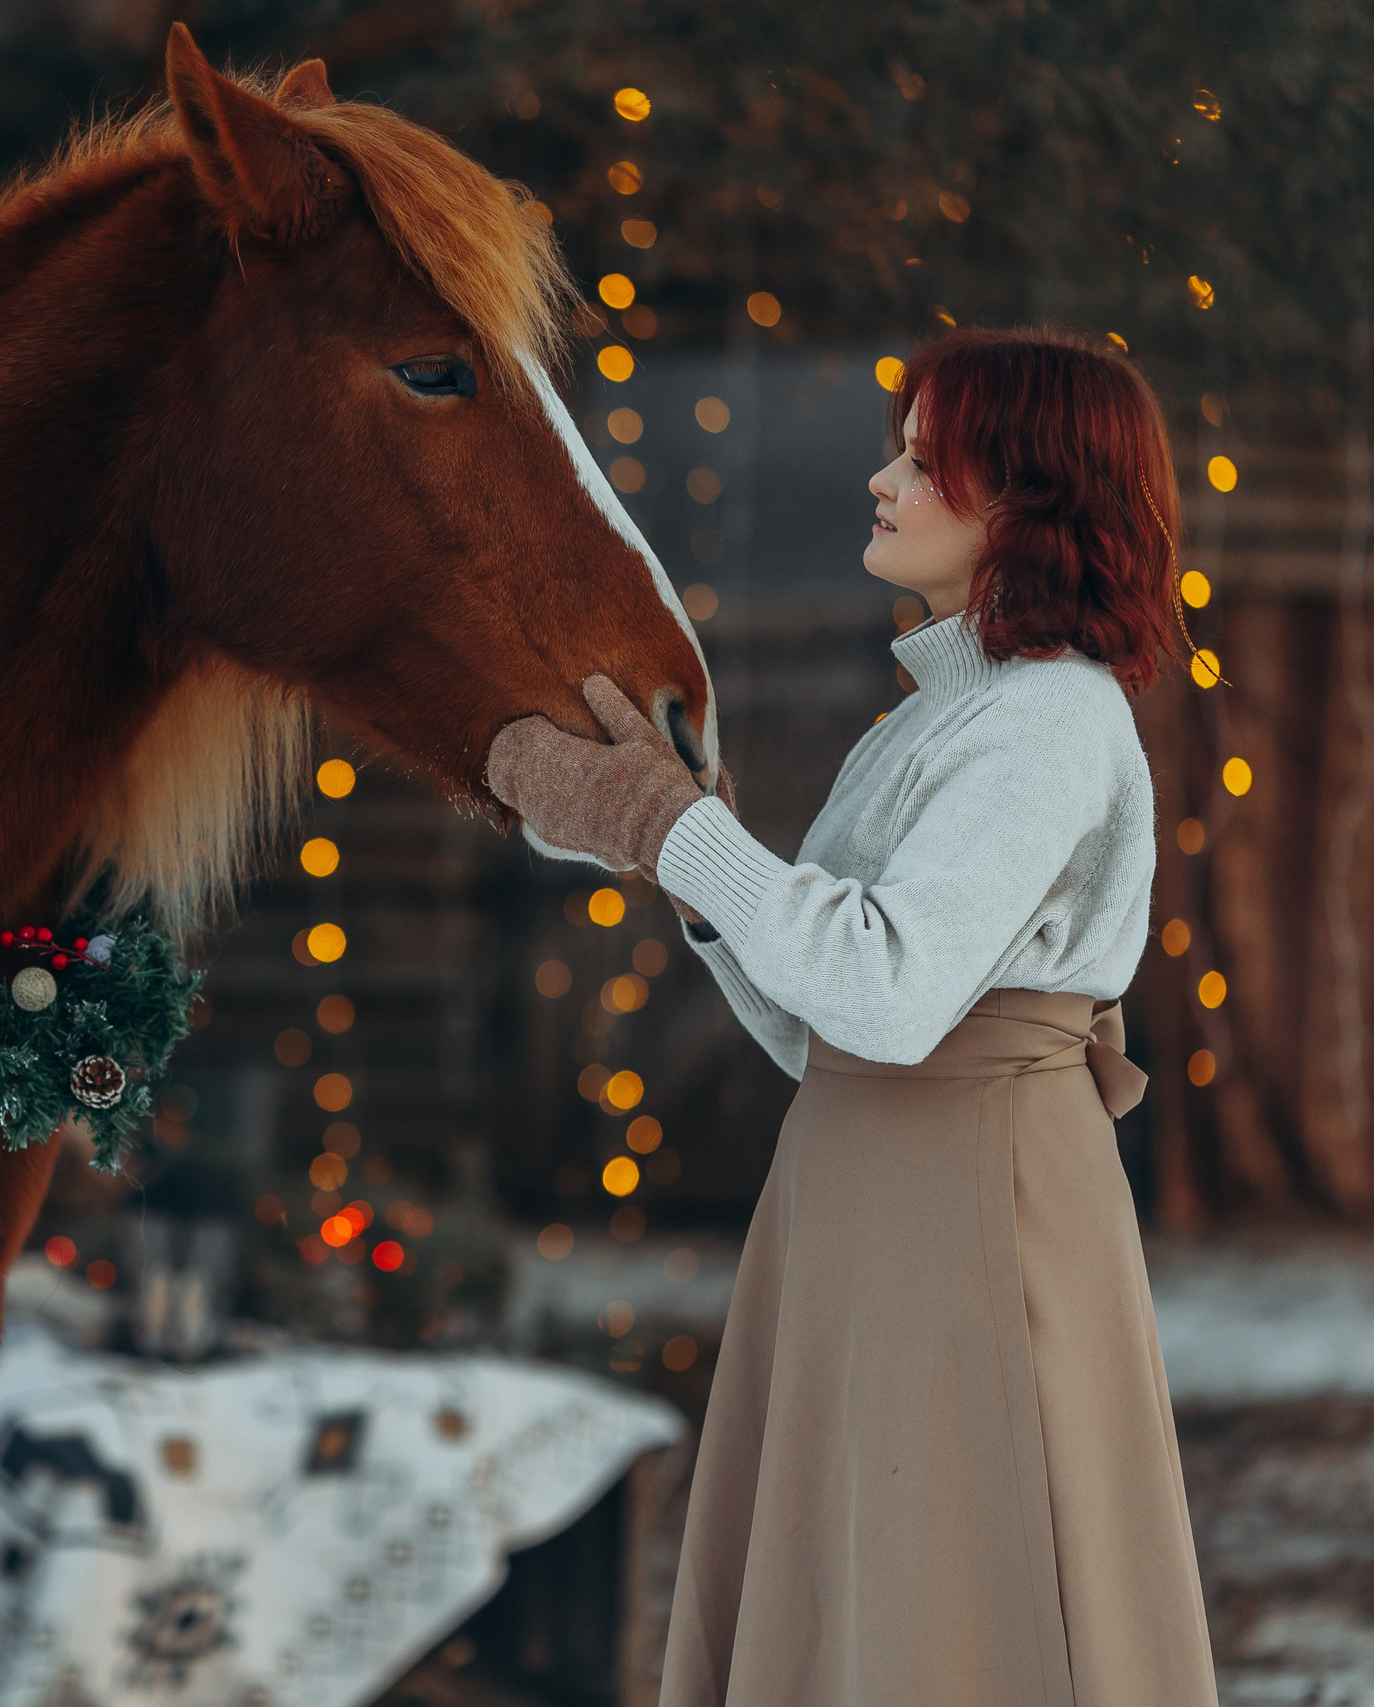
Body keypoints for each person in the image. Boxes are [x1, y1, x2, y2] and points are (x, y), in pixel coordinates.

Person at [486, 327, 1216, 1706]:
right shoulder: (935, 720)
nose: (883, 480)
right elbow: (823, 1027)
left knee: (953, 1597)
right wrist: (684, 869)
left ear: (1028, 498)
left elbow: (884, 990)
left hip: (970, 1206)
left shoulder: (1048, 723)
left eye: (926, 460)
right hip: (870, 1193)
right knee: (857, 1582)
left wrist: (673, 826)